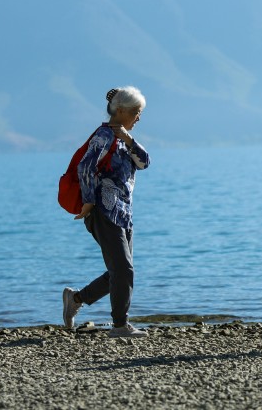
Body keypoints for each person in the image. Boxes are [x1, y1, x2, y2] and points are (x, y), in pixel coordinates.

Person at [63, 86, 151, 338]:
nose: (138, 117)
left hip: (123, 214)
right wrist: (89, 202)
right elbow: (85, 167)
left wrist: (128, 139)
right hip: (103, 211)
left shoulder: (122, 138)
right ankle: (120, 325)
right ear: (120, 110)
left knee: (120, 271)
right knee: (123, 270)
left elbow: (145, 162)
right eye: (135, 112)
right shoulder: (103, 136)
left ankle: (76, 299)